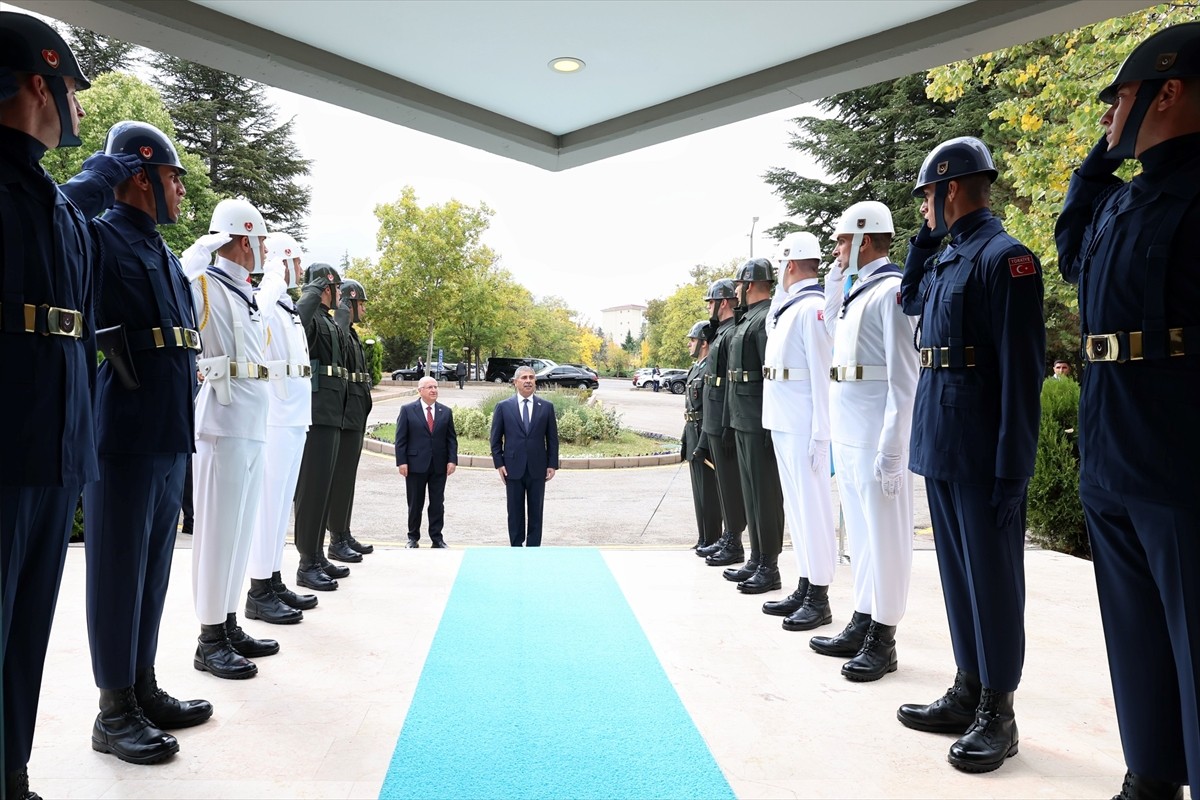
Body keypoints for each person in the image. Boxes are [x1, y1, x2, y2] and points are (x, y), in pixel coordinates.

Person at [1055, 23, 1200, 800]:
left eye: (1120, 100)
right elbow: (1073, 251)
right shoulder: (1123, 200)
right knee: (1135, 634)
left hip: (1180, 444)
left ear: (1168, 92)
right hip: (1113, 438)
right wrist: (1099, 161)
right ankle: (1150, 778)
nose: (1109, 115)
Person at [0, 13, 137, 797]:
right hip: (6, 446)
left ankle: (13, 774)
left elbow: (78, 198)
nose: (78, 105)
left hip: (55, 451)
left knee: (26, 636)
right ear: (36, 85)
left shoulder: (52, 203)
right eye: (71, 88)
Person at [899, 136, 1045, 773]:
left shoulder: (1005, 258)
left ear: (951, 189)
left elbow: (1023, 373)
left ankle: (999, 711)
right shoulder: (947, 259)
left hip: (984, 447)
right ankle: (967, 687)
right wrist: (923, 243)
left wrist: (1015, 467)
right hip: (941, 437)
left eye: (928, 196)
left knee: (992, 581)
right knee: (958, 578)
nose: (925, 208)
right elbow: (909, 304)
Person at [72, 121, 210, 765]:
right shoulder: (98, 238)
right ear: (140, 174)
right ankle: (112, 708)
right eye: (174, 177)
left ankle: (142, 685)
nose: (181, 189)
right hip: (122, 431)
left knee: (153, 572)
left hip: (166, 431)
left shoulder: (163, 253)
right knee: (117, 572)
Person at [810, 201, 918, 684]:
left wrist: (893, 448)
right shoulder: (859, 291)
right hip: (851, 435)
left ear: (865, 239)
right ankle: (863, 617)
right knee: (859, 534)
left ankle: (885, 636)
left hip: (876, 435)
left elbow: (904, 378)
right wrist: (835, 282)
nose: (834, 250)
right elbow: (831, 331)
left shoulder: (892, 292)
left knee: (886, 540)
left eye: (840, 242)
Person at [181, 197, 279, 679]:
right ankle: (208, 637)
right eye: (259, 241)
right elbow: (175, 294)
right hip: (220, 422)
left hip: (250, 420)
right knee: (218, 533)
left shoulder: (247, 293)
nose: (262, 249)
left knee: (239, 533)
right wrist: (197, 255)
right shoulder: (203, 283)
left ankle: (228, 620)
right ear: (242, 240)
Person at [760, 231, 837, 631]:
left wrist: (822, 434)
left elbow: (824, 375)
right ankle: (805, 583)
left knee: (813, 509)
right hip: (784, 417)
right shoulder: (790, 306)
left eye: (781, 266)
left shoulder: (813, 307)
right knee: (796, 508)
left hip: (805, 423)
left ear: (790, 265)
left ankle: (820, 595)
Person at [244, 233, 317, 626]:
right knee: (268, 506)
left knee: (281, 504)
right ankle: (257, 590)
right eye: (295, 262)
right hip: (275, 413)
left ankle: (272, 578)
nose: (300, 270)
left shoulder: (286, 306)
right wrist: (271, 277)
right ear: (281, 262)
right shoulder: (268, 301)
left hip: (293, 412)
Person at [724, 258, 786, 594]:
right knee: (751, 493)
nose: (736, 291)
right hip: (743, 416)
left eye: (739, 284)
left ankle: (770, 565)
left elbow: (769, 374)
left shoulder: (765, 320)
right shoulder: (749, 318)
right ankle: (757, 556)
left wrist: (768, 422)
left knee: (765, 495)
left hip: (758, 418)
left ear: (749, 284)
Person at [292, 263, 349, 591]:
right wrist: (314, 289)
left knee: (323, 487)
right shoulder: (308, 315)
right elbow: (299, 321)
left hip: (331, 409)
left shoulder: (325, 319)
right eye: (335, 288)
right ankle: (306, 561)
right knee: (312, 489)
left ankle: (315, 554)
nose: (340, 295)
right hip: (316, 411)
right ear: (324, 288)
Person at [697, 279, 749, 568]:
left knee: (730, 482)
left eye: (711, 301)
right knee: (723, 482)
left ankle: (734, 540)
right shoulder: (721, 333)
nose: (708, 307)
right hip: (714, 416)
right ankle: (729, 535)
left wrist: (728, 421)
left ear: (724, 302)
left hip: (723, 417)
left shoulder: (731, 333)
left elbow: (729, 382)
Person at [326, 278, 376, 562]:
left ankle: (343, 532)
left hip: (355, 412)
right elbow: (337, 355)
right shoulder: (339, 331)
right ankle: (336, 539)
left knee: (348, 479)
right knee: (340, 478)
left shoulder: (352, 334)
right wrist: (341, 321)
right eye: (360, 304)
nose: (364, 310)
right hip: (344, 413)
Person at [489, 366, 559, 546]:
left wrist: (552, 464)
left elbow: (552, 439)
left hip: (538, 468)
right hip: (512, 468)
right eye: (524, 378)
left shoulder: (546, 407)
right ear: (515, 382)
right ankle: (516, 547)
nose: (528, 380)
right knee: (514, 511)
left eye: (531, 377)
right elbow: (495, 439)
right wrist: (499, 463)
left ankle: (534, 547)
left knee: (536, 511)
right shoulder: (503, 407)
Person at [395, 377, 458, 547]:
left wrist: (452, 460)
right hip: (415, 465)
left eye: (436, 387)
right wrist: (402, 462)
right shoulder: (408, 410)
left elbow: (451, 439)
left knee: (437, 503)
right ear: (420, 390)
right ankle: (412, 538)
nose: (434, 390)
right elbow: (401, 439)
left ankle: (437, 539)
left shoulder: (445, 411)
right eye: (429, 387)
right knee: (415, 503)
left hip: (439, 465)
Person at [682, 321, 721, 552]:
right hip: (692, 433)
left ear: (704, 343)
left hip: (703, 435)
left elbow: (709, 410)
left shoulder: (708, 369)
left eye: (693, 340)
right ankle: (703, 537)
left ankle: (713, 539)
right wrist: (685, 438)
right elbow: (690, 407)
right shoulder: (696, 368)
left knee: (709, 493)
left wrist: (703, 443)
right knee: (698, 492)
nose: (690, 344)